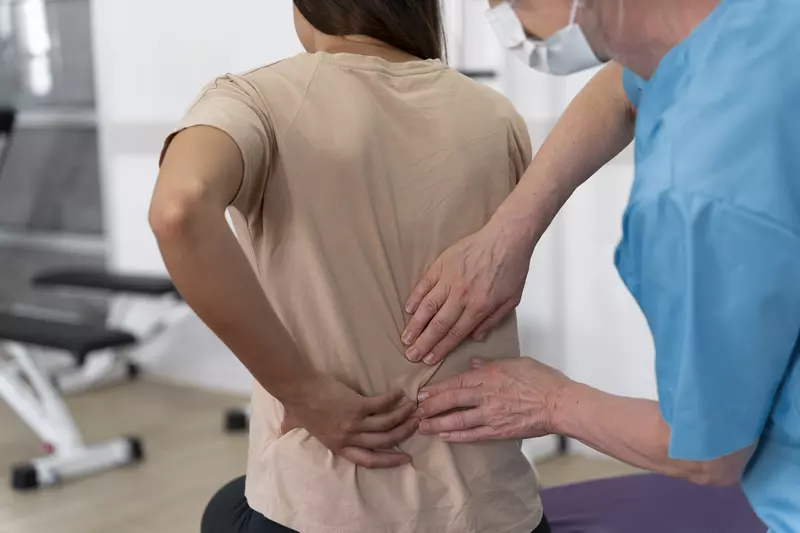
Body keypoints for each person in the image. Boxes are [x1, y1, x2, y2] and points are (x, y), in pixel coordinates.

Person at [150, 1, 549, 532]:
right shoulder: (497, 115)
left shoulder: (256, 98)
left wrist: (304, 393)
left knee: (224, 512)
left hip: (327, 513)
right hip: (498, 514)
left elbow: (179, 210)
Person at [408, 0, 800, 531]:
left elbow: (709, 454)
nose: (501, 17)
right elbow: (625, 83)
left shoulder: (696, 191)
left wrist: (551, 402)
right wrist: (509, 231)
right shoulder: (755, 22)